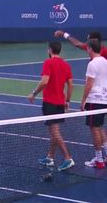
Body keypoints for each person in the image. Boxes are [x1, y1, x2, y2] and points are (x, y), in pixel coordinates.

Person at [54, 30, 107, 155]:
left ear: (94, 42)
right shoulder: (93, 50)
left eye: (88, 39)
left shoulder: (106, 52)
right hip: (106, 87)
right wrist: (65, 34)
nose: (86, 42)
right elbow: (77, 44)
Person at [28, 41, 74, 171]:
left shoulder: (48, 63)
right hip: (60, 103)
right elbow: (71, 85)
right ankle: (50, 157)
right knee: (54, 131)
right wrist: (68, 100)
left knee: (54, 132)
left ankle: (68, 158)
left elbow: (44, 81)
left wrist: (33, 93)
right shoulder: (66, 65)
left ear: (49, 50)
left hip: (50, 103)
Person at [81, 38, 107, 168]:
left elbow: (89, 84)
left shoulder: (92, 64)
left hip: (93, 101)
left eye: (87, 48)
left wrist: (83, 101)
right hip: (104, 100)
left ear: (90, 48)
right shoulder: (106, 62)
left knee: (94, 129)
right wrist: (106, 95)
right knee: (100, 126)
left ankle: (98, 159)